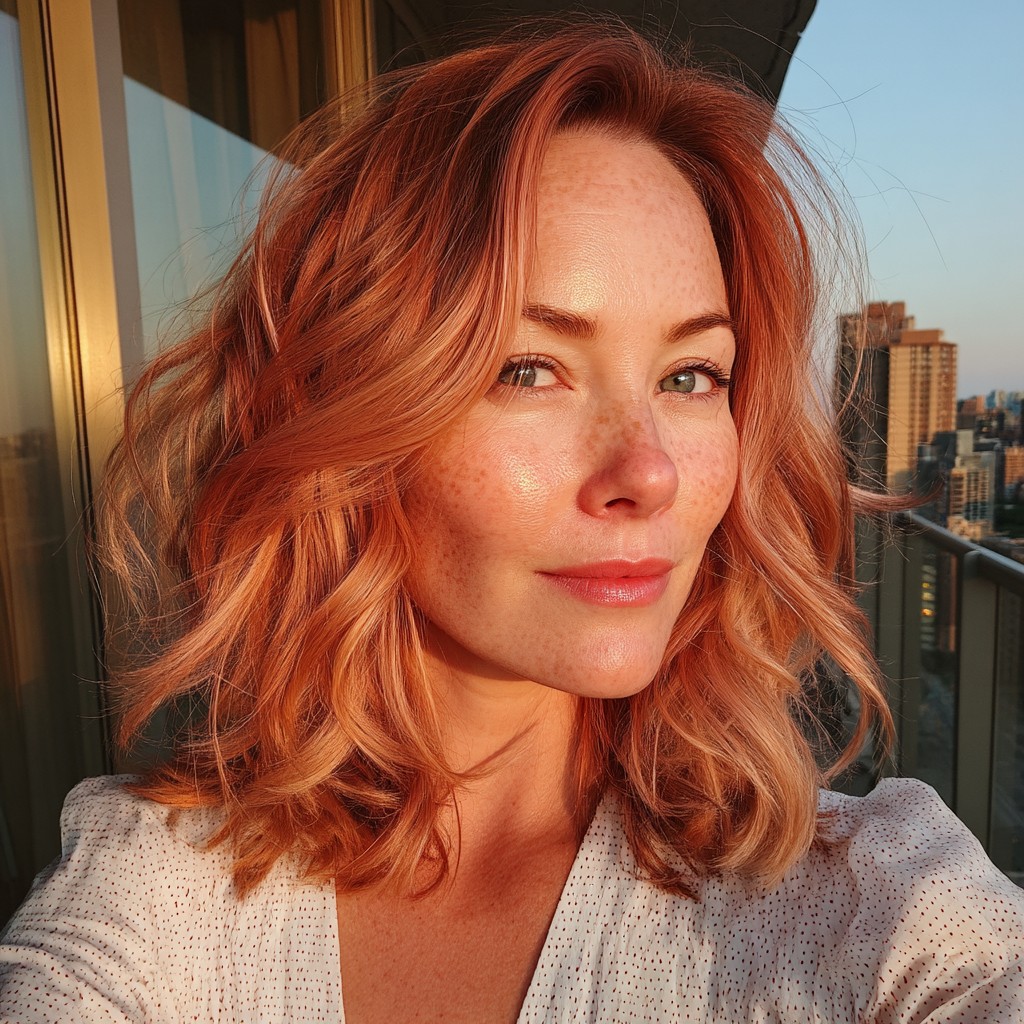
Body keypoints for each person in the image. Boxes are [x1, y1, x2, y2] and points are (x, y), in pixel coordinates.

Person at [2, 22, 1022, 1024]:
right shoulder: (160, 897)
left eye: (690, 375)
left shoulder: (874, 908)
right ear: (348, 417)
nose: (649, 472)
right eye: (528, 368)